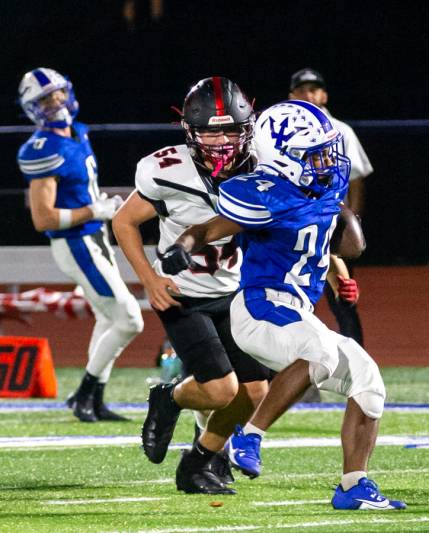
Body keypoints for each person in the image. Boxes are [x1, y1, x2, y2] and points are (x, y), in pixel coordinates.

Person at [159, 100, 405, 510]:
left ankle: (353, 485)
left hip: (296, 313)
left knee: (368, 379)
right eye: (316, 153)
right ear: (283, 156)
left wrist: (336, 227)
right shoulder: (264, 195)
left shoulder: (320, 188)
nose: (328, 159)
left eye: (327, 150)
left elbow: (352, 245)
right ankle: (249, 437)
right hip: (258, 308)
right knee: (320, 351)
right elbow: (207, 228)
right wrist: (182, 248)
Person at [113, 77, 270, 494]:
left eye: (230, 128)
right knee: (221, 390)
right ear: (190, 131)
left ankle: (199, 463)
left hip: (236, 291)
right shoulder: (167, 170)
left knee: (255, 393)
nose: (221, 140)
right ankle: (170, 398)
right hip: (183, 293)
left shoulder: (265, 165)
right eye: (210, 130)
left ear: (247, 127)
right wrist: (149, 280)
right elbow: (123, 221)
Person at [16, 68, 144, 422]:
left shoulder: (78, 133)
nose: (55, 101)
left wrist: (95, 212)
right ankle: (85, 391)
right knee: (130, 319)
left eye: (57, 93)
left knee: (108, 317)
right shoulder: (42, 148)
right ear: (32, 108)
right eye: (45, 98)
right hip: (75, 243)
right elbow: (42, 219)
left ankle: (95, 399)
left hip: (94, 237)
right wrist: (94, 210)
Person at [289, 67, 372, 346]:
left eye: (313, 89)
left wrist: (353, 222)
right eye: (302, 90)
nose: (308, 95)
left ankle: (356, 356)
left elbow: (357, 179)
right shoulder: (283, 132)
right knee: (290, 298)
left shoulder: (341, 131)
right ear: (291, 96)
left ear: (324, 94)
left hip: (329, 227)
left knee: (344, 298)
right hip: (292, 227)